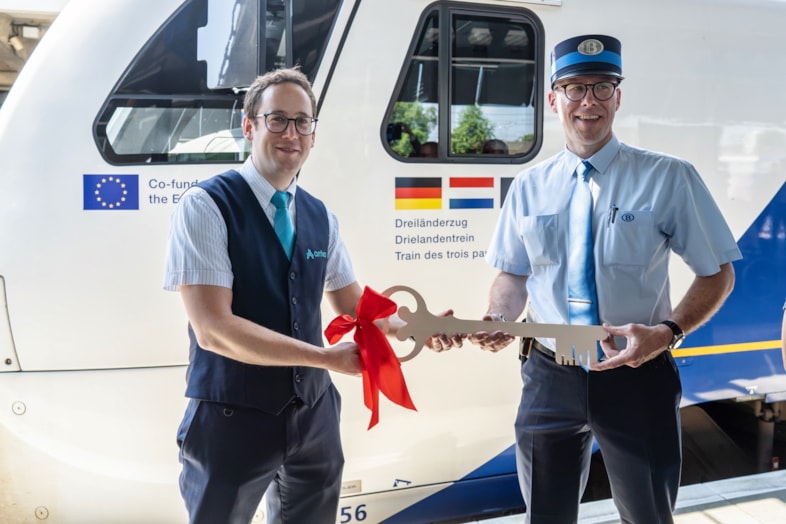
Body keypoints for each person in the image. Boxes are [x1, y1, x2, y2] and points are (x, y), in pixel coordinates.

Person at [429, 34, 741, 523]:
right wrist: (497, 318)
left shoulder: (668, 177)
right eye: (574, 88)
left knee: (648, 515)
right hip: (549, 376)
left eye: (601, 87)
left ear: (619, 97)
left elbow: (718, 273)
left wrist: (667, 333)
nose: (588, 102)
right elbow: (513, 274)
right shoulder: (530, 186)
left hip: (637, 374)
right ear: (554, 99)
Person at [163, 67, 399, 524]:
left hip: (314, 418)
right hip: (232, 417)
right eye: (278, 120)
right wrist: (328, 359)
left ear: (313, 133)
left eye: (302, 122)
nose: (292, 133)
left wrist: (421, 327)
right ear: (249, 126)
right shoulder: (206, 206)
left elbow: (353, 305)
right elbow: (214, 330)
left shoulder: (319, 216)